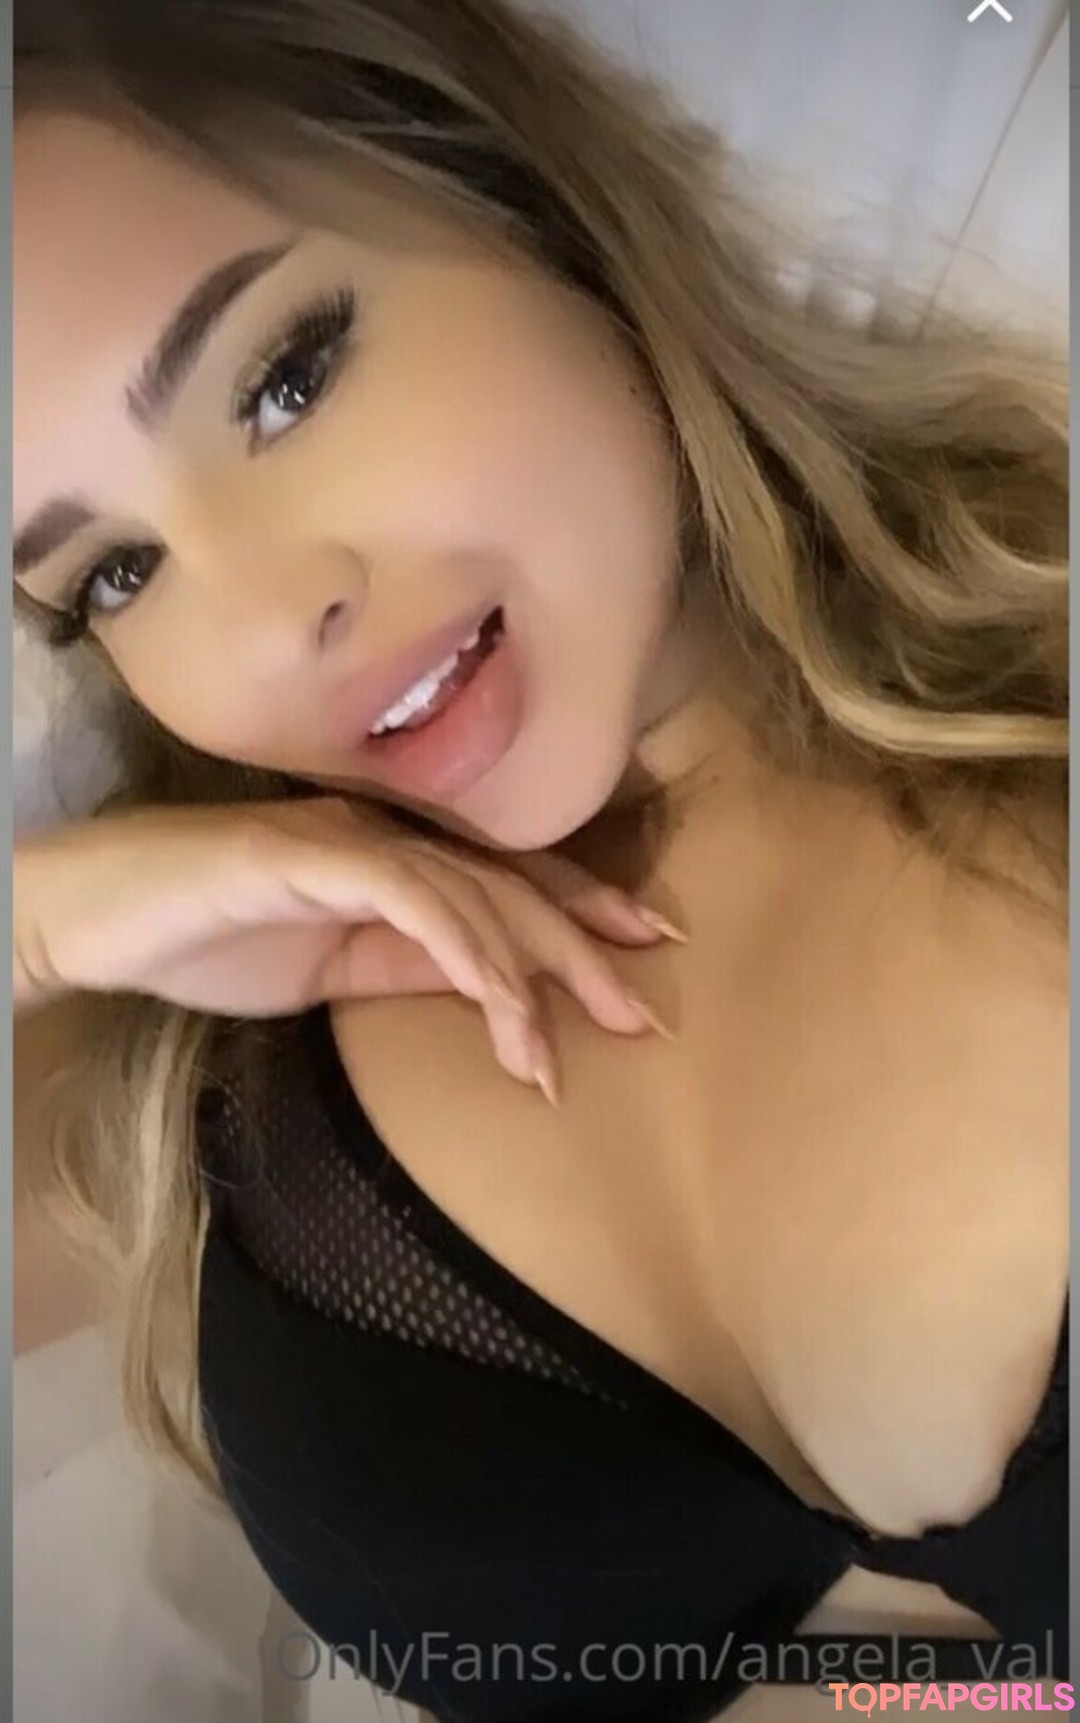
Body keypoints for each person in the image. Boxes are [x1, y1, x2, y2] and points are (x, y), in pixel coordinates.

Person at [13, 2, 1068, 1719]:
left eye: (285, 380)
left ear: (530, 204)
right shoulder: (200, 1021)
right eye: (113, 577)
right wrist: (39, 929)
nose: (269, 626)